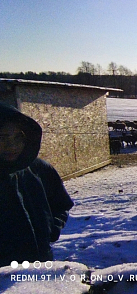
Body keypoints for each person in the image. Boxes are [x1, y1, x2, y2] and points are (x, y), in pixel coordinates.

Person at [0, 103, 74, 266]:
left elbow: (61, 204)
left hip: (40, 265)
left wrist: (51, 229)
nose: (11, 146)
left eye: (18, 137)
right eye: (2, 138)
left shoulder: (39, 169)